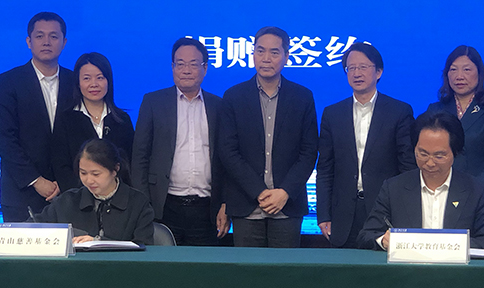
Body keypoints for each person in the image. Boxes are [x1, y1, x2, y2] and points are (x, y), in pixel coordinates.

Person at [218, 26, 318, 248]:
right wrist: (259, 192)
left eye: (274, 52)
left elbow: (309, 151)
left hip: (287, 206)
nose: (266, 58)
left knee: (285, 269)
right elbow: (228, 151)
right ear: (253, 54)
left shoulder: (302, 97)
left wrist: (285, 192)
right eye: (260, 51)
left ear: (286, 56)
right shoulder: (234, 96)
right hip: (246, 205)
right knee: (247, 269)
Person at [316, 42, 416, 248]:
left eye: (363, 67)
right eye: (351, 68)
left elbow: (407, 167)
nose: (357, 73)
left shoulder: (399, 112)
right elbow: (325, 168)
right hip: (342, 215)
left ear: (379, 72)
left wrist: (405, 212)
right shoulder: (332, 114)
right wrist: (324, 214)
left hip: (384, 211)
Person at [131, 37, 228, 246]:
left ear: (205, 68)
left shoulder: (219, 106)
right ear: (172, 67)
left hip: (206, 210)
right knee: (163, 265)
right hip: (164, 206)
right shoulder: (153, 102)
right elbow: (140, 157)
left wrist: (225, 203)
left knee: (202, 265)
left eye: (193, 64)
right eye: (180, 64)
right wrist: (143, 205)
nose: (186, 70)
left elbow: (226, 160)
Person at [357, 110, 484, 250]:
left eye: (439, 156)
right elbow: (366, 235)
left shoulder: (477, 190)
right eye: (423, 154)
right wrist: (384, 240)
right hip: (406, 265)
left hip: (455, 266)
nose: (430, 163)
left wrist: (446, 246)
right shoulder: (394, 188)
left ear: (455, 152)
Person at [0, 11, 77, 222]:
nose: (46, 42)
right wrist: (36, 180)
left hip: (69, 192)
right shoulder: (9, 81)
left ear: (64, 42)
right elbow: (5, 138)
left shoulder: (76, 82)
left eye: (54, 36)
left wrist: (66, 182)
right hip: (21, 192)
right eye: (39, 36)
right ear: (29, 41)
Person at [427, 45, 484, 206]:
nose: (459, 76)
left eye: (467, 70)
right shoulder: (435, 110)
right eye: (453, 70)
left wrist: (472, 191)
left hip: (481, 198)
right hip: (440, 197)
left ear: (479, 73)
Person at [38, 138, 154, 245]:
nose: (89, 180)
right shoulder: (67, 201)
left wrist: (99, 242)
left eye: (96, 174)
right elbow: (35, 227)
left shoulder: (138, 203)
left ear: (115, 170)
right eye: (83, 173)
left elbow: (144, 248)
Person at [52, 52, 134, 192]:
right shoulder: (65, 119)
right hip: (78, 199)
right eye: (87, 78)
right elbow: (60, 166)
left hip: (119, 199)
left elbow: (130, 163)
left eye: (100, 77)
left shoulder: (122, 120)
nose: (94, 84)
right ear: (78, 83)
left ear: (108, 81)